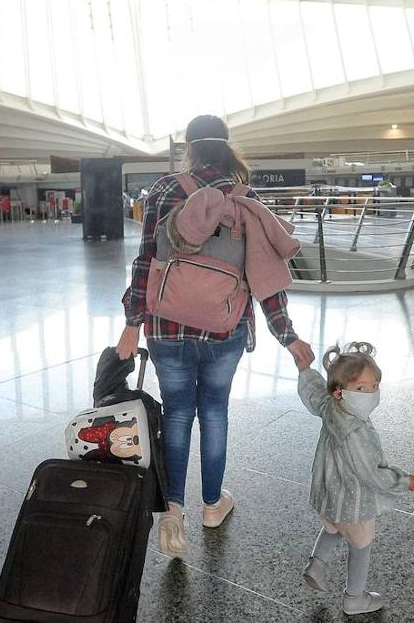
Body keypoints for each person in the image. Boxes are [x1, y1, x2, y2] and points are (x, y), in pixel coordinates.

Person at [118, 114, 315, 559]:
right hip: (224, 329)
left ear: (190, 149)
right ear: (228, 148)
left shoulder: (165, 189)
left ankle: (173, 511)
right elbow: (265, 277)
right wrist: (290, 338)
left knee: (177, 414)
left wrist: (133, 324)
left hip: (166, 327)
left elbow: (146, 261)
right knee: (214, 413)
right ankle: (211, 505)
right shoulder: (246, 197)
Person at [296, 342, 414, 616]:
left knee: (333, 528)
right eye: (363, 388)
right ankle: (355, 598)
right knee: (361, 543)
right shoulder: (357, 432)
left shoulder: (331, 407)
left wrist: (305, 369)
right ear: (340, 391)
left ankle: (317, 564)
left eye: (375, 386)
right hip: (353, 500)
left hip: (329, 492)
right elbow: (372, 472)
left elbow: (314, 394)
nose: (372, 393)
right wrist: (404, 481)